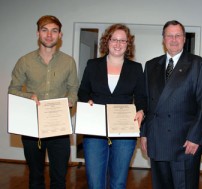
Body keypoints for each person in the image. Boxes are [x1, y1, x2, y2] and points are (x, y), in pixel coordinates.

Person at [8, 15, 79, 188]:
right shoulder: (25, 61)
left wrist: (70, 101)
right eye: (44, 30)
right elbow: (12, 90)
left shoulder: (68, 62)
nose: (49, 35)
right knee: (35, 177)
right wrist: (29, 97)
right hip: (32, 127)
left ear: (60, 35)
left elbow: (73, 89)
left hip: (59, 127)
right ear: (38, 33)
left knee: (59, 178)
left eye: (54, 31)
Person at [140, 20, 202, 189]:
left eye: (178, 35)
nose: (173, 39)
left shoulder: (198, 65)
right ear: (163, 39)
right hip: (157, 140)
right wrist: (144, 133)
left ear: (184, 38)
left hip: (185, 143)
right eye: (169, 36)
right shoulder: (151, 65)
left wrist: (196, 137)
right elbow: (146, 102)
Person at [77, 23, 146, 189]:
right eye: (114, 39)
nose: (118, 44)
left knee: (118, 182)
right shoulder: (92, 65)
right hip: (95, 129)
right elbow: (83, 91)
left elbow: (142, 97)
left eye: (123, 41)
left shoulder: (136, 68)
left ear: (128, 44)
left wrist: (142, 110)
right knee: (95, 182)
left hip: (124, 131)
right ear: (107, 41)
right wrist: (87, 101)